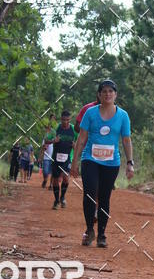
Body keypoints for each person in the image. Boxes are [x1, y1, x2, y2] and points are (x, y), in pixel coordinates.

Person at [71, 79, 134, 247]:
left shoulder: (123, 115)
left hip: (111, 163)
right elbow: (81, 138)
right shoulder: (90, 113)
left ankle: (102, 235)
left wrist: (130, 162)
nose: (107, 94)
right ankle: (90, 229)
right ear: (99, 95)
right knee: (90, 194)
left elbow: (126, 140)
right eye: (104, 91)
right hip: (90, 160)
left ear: (115, 94)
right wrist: (74, 162)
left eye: (110, 91)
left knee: (105, 198)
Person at [47, 110, 77, 209]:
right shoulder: (56, 128)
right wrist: (53, 141)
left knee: (65, 177)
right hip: (56, 157)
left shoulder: (73, 129)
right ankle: (56, 200)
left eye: (67, 120)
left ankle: (62, 197)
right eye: (63, 120)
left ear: (70, 120)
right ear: (61, 119)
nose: (65, 122)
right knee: (55, 180)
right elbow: (46, 140)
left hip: (68, 157)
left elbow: (81, 141)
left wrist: (75, 145)